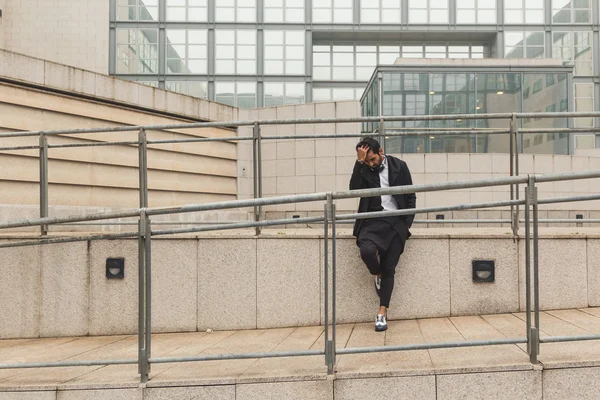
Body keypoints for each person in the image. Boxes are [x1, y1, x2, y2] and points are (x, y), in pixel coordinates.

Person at [349, 137, 416, 332]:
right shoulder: (364, 169)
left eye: (372, 159)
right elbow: (354, 190)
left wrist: (407, 222)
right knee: (367, 251)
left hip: (396, 223)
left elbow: (411, 195)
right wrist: (360, 163)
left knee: (390, 269)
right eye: (367, 160)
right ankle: (376, 273)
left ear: (381, 152)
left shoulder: (399, 166)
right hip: (372, 221)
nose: (371, 164)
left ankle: (381, 313)